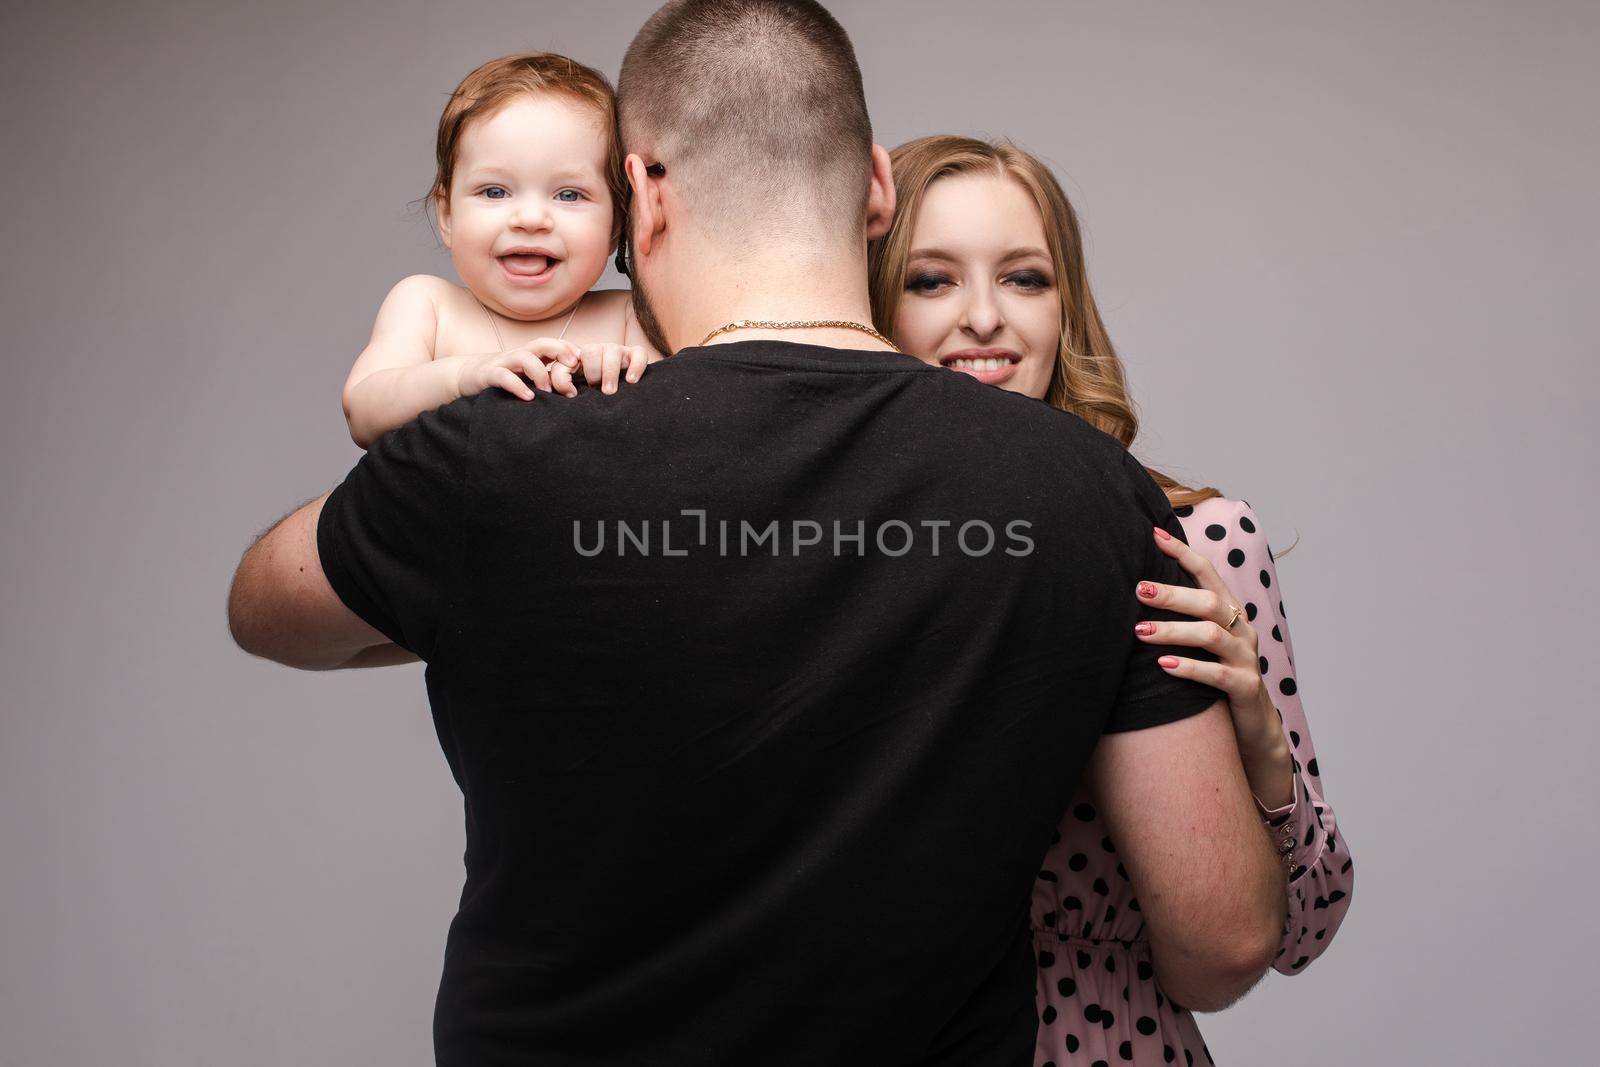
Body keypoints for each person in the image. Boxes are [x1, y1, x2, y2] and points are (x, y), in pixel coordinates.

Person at [227, 2, 1287, 1063]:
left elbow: (266, 609)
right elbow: (1221, 940)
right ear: (876, 189)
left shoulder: (491, 459)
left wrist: (509, 577)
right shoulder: (1083, 489)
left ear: (640, 195)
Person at [869, 135, 1355, 1065]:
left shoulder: (1194, 544)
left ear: (1068, 307)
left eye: (1025, 278)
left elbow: (1292, 939)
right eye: (930, 280)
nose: (984, 319)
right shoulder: (834, 548)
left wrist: (1260, 742)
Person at [342, 52, 657, 452]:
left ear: (615, 225)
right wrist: (464, 375)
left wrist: (620, 369)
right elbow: (363, 411)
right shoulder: (429, 306)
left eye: (569, 194)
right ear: (448, 214)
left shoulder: (629, 317)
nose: (530, 218)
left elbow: (673, 425)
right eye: (495, 191)